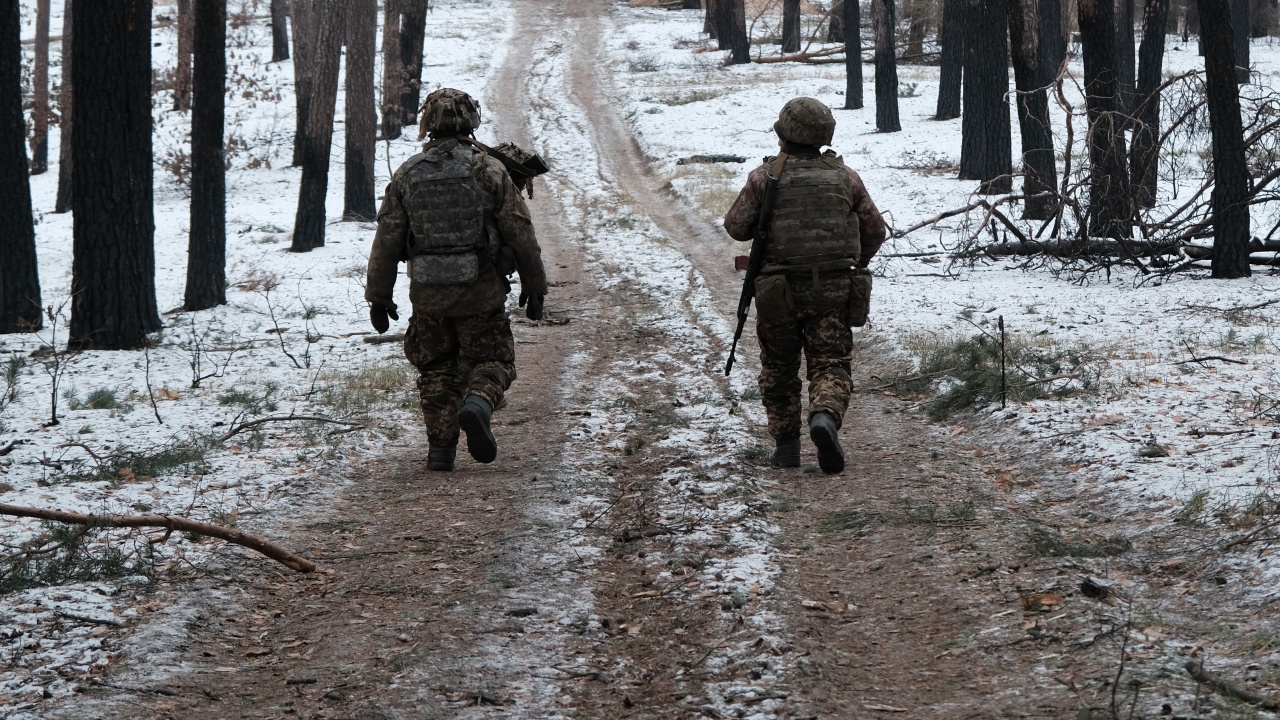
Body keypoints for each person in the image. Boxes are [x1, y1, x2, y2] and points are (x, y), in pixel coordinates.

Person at [365, 88, 548, 471]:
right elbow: (520, 231)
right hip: (481, 291)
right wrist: (534, 283)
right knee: (493, 358)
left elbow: (387, 237)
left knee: (436, 367)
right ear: (471, 120)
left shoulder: (408, 174)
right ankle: (479, 402)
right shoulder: (490, 169)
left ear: (427, 123)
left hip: (428, 294)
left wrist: (379, 295)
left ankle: (441, 450)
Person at [723, 97, 886, 474]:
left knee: (779, 366)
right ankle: (824, 416)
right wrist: (856, 263)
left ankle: (786, 447)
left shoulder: (765, 178)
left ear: (783, 134)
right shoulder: (846, 178)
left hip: (778, 291)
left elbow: (735, 227)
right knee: (830, 363)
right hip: (833, 290)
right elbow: (875, 230)